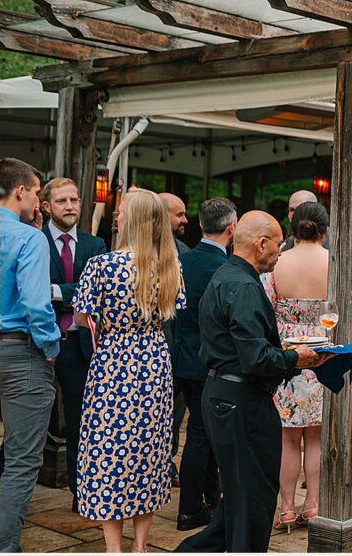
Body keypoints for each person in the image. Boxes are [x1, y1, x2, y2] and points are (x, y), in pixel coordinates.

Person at [175, 212, 327, 553]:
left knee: (239, 502)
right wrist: (296, 358)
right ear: (261, 244)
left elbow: (242, 345)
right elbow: (255, 359)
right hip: (240, 399)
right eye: (277, 243)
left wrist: (284, 352)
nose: (280, 249)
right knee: (254, 502)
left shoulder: (227, 274)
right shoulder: (242, 286)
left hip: (226, 394)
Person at [71, 188, 185, 552]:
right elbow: (174, 311)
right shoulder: (170, 266)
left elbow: (80, 316)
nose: (116, 217)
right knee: (148, 452)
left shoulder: (102, 265)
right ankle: (140, 545)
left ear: (131, 220)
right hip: (153, 361)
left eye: (121, 212)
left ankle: (113, 548)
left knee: (109, 452)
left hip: (114, 362)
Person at [0, 158, 59, 552]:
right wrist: (52, 346)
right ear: (21, 190)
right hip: (20, 351)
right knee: (21, 460)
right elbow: (37, 305)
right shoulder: (28, 239)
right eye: (38, 192)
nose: (39, 201)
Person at [40, 177, 108, 513]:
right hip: (38, 343)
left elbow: (97, 294)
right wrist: (74, 292)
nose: (70, 207)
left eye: (74, 200)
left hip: (79, 346)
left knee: (80, 421)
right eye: (62, 201)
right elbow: (32, 289)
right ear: (46, 206)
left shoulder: (95, 245)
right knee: (31, 421)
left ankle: (80, 492)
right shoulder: (34, 242)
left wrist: (55, 291)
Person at [263, 201, 330, 532]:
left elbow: (267, 307)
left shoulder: (278, 263)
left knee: (288, 440)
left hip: (286, 358)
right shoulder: (333, 262)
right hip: (322, 358)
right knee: (315, 439)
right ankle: (313, 505)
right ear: (323, 229)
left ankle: (286, 508)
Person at [172, 198, 237, 532]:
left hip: (181, 357)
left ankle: (210, 497)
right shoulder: (223, 270)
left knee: (203, 433)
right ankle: (189, 508)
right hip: (208, 362)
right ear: (231, 229)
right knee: (200, 435)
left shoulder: (183, 261)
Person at [158, 190, 190, 483]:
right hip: (153, 348)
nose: (185, 220)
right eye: (179, 214)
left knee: (176, 413)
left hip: (180, 348)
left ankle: (168, 461)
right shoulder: (141, 252)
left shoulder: (184, 250)